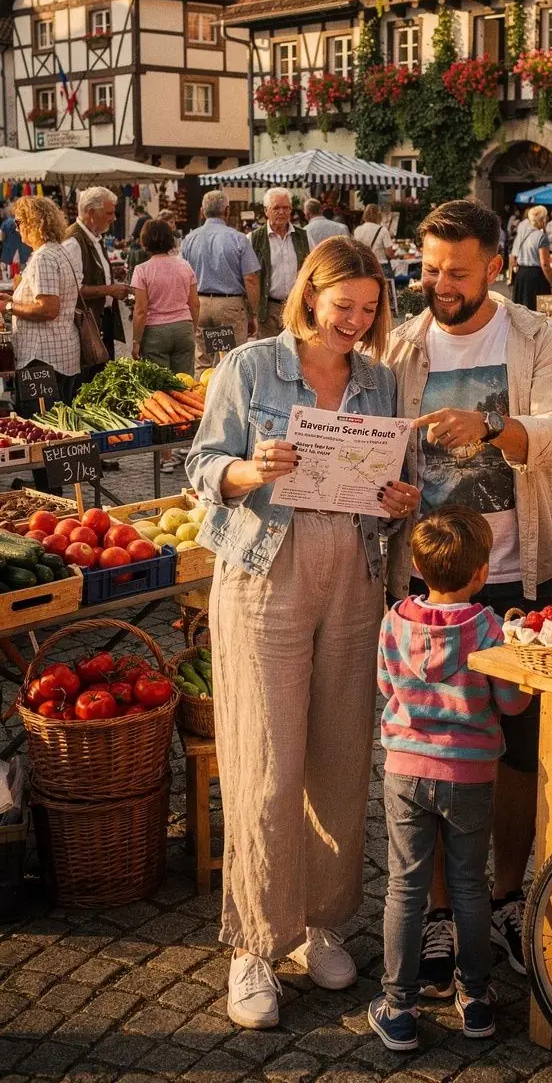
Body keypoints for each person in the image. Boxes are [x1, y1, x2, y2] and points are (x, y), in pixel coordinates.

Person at [186, 236, 420, 1030]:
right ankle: (255, 942)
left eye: (369, 308)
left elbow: (394, 483)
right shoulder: (250, 367)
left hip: (353, 573)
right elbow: (202, 466)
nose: (355, 320)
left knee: (340, 757)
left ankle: (320, 922)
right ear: (310, 296)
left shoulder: (382, 380)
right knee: (267, 762)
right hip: (264, 573)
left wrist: (399, 502)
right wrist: (251, 469)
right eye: (342, 304)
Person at [386, 199, 552, 984]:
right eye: (430, 269)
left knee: (519, 753)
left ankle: (503, 895)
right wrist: (391, 492)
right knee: (432, 749)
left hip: (520, 574)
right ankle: (437, 913)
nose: (440, 285)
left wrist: (494, 427)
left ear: (495, 266)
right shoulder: (401, 346)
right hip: (429, 584)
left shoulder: (539, 337)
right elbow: (384, 451)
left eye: (457, 273)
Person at [369, 506, 529, 1051]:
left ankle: (398, 1006)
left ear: (415, 564)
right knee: (468, 886)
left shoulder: (394, 622)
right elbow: (509, 702)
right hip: (470, 773)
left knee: (404, 887)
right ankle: (477, 1000)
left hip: (405, 770)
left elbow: (387, 690)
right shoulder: (488, 629)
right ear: (482, 572)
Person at [131, 218, 199, 471]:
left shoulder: (142, 270)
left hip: (155, 332)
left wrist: (136, 342)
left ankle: (166, 456)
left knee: (159, 394)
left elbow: (140, 311)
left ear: (145, 241)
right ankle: (188, 445)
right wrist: (192, 326)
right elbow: (195, 303)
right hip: (183, 328)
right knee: (185, 388)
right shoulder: (184, 266)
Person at [7, 196, 80, 407]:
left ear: (33, 222)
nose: (17, 228)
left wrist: (10, 307)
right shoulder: (59, 251)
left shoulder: (43, 258)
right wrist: (15, 299)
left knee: (40, 424)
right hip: (60, 353)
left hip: (42, 358)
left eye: (19, 222)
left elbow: (48, 309)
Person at [181, 190, 261, 374]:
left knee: (202, 359)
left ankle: (203, 398)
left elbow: (183, 276)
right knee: (230, 360)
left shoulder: (189, 239)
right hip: (228, 306)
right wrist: (253, 313)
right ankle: (227, 399)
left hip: (199, 304)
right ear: (227, 210)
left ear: (202, 212)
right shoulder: (238, 238)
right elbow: (250, 278)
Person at [62, 186, 129, 378]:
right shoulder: (73, 242)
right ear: (91, 212)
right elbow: (74, 290)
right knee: (90, 377)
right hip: (86, 325)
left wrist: (109, 274)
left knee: (103, 374)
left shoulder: (93, 237)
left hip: (100, 320)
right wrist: (109, 289)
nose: (114, 218)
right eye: (109, 212)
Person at [250, 188, 309, 340]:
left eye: (286, 208)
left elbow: (315, 268)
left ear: (291, 210)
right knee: (268, 353)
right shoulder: (253, 239)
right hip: (268, 308)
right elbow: (248, 276)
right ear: (266, 211)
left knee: (297, 351)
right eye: (276, 208)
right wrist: (252, 312)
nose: (281, 212)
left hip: (296, 306)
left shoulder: (304, 237)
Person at [510, 205, 552, 309]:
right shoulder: (541, 237)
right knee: (543, 312)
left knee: (522, 312)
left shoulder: (521, 234)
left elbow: (512, 257)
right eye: (546, 218)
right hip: (537, 277)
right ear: (542, 220)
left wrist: (511, 276)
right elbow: (545, 264)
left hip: (521, 275)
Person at [354, 204, 396, 273]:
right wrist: (396, 257)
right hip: (380, 265)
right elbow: (389, 253)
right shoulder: (383, 230)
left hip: (364, 266)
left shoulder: (357, 230)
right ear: (378, 215)